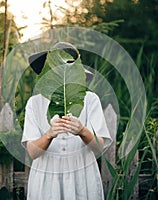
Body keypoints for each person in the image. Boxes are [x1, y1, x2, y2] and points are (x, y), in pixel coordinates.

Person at [21, 42, 112, 200]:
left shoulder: (90, 100)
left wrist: (82, 131)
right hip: (46, 177)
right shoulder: (35, 103)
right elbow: (33, 153)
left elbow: (99, 148)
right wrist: (49, 134)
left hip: (82, 176)